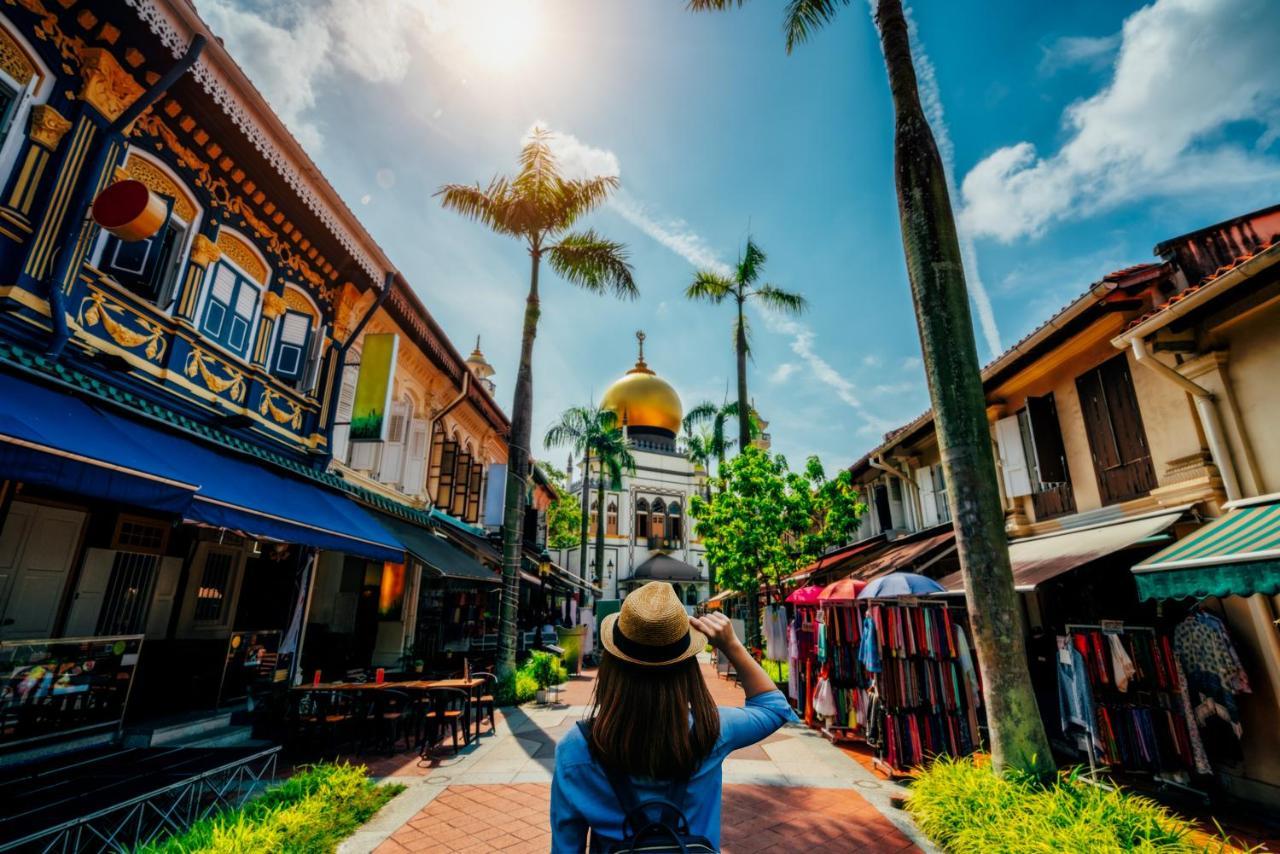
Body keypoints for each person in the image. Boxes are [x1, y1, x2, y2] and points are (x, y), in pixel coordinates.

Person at [551, 582, 795, 852]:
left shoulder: (576, 749)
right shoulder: (711, 732)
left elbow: (566, 847)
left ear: (612, 665)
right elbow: (774, 707)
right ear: (687, 667)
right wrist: (731, 644)